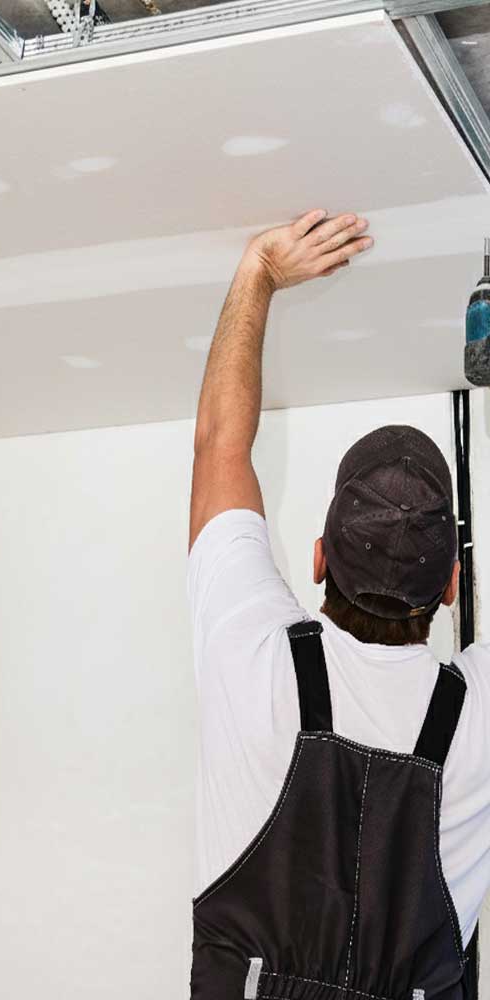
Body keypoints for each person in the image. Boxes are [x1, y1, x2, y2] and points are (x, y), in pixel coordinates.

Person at [187, 209, 490, 998]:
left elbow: (221, 441)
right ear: (452, 586)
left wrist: (258, 269)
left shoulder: (250, 654)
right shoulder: (478, 718)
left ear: (319, 558)